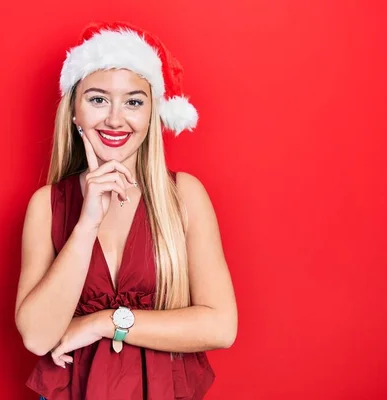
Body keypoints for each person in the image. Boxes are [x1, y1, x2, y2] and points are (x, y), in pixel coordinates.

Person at [14, 21, 238, 400]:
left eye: (134, 101)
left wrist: (103, 323)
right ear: (74, 111)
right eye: (98, 99)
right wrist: (87, 223)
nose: (115, 119)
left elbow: (221, 326)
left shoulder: (184, 197)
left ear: (152, 114)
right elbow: (36, 336)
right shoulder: (48, 206)